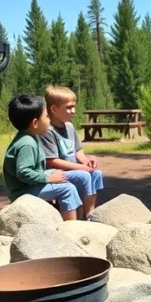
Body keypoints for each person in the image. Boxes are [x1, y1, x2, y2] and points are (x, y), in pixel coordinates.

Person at [2, 94, 81, 221]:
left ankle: (72, 216)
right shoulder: (27, 144)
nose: (49, 120)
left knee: (63, 177)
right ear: (35, 123)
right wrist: (48, 177)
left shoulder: (31, 137)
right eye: (47, 116)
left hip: (30, 186)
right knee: (67, 189)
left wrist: (51, 174)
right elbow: (23, 173)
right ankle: (70, 227)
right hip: (22, 192)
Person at [39, 86, 105, 219]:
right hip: (56, 173)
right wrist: (81, 167)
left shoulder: (69, 126)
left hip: (74, 169)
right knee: (84, 175)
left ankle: (90, 214)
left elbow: (77, 150)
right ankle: (79, 217)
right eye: (69, 108)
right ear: (54, 109)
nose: (73, 111)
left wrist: (86, 160)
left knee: (96, 174)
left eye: (74, 107)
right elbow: (52, 161)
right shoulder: (48, 130)